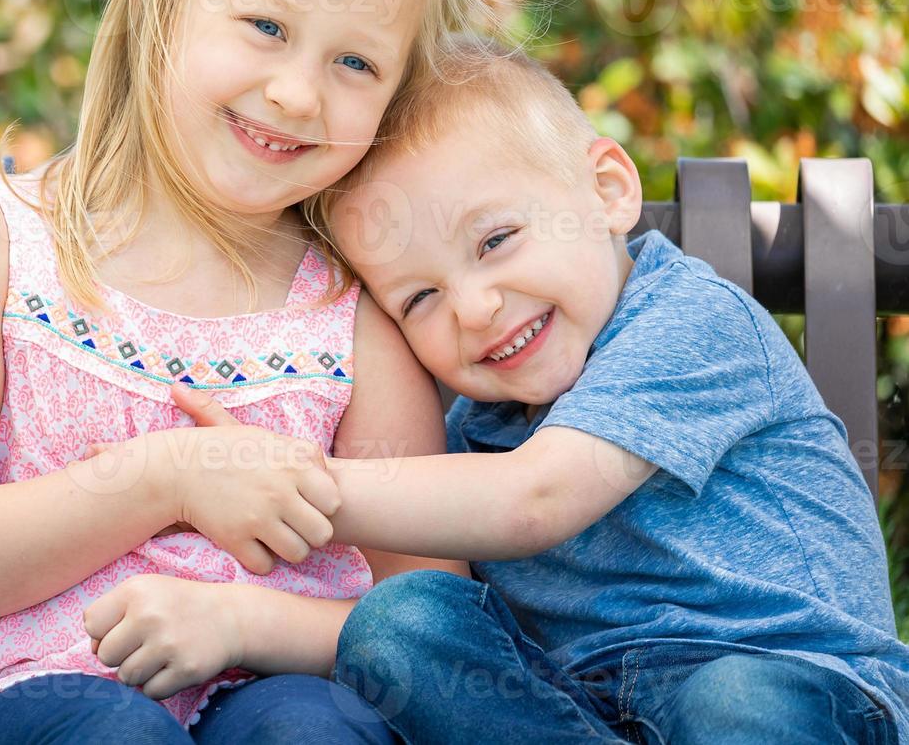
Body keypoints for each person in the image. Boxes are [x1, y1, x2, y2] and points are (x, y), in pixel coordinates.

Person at [0, 0, 493, 744]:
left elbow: (431, 628)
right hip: (44, 705)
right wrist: (168, 477)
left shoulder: (348, 326)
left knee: (309, 733)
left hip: (289, 692)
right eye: (266, 27)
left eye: (355, 63)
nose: (294, 92)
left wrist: (248, 623)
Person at [172, 38, 909, 743]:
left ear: (609, 190)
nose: (475, 307)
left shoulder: (689, 321)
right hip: (577, 712)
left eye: (495, 241)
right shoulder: (475, 433)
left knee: (734, 700)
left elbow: (536, 498)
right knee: (400, 622)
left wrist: (286, 486)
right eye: (420, 298)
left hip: (802, 692)